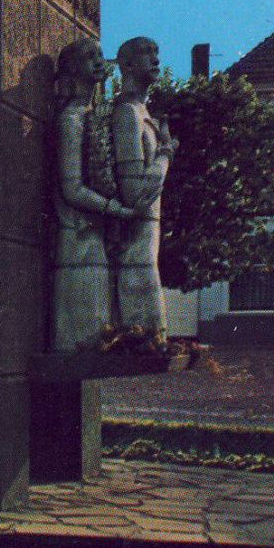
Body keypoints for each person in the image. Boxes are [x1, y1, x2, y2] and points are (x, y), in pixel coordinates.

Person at [51, 38, 139, 353]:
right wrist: (114, 207)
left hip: (95, 238)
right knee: (80, 341)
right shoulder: (72, 119)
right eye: (91, 57)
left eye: (101, 54)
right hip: (78, 240)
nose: (100, 61)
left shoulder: (96, 115)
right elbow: (71, 189)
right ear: (73, 69)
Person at [111, 36, 176, 332]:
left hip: (147, 240)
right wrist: (165, 153)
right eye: (146, 52)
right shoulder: (127, 113)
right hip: (136, 248)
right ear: (126, 64)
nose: (155, 59)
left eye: (156, 51)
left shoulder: (142, 113)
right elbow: (136, 192)